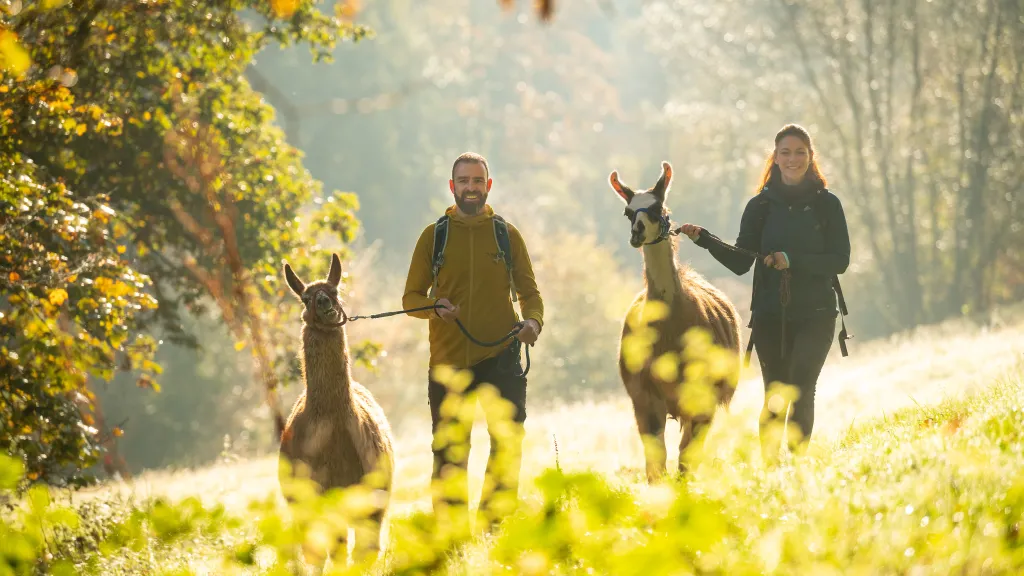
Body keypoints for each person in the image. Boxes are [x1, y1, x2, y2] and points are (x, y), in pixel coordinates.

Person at [678, 124, 851, 462]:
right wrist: (706, 239)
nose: (793, 159)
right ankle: (771, 468)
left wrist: (793, 261)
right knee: (775, 393)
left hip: (816, 313)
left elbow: (840, 260)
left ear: (811, 156)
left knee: (801, 387)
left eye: (800, 152)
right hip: (771, 314)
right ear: (775, 158)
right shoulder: (760, 206)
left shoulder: (827, 205)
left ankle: (796, 463)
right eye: (785, 152)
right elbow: (742, 262)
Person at [402, 151, 544, 526]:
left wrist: (533, 323)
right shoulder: (434, 236)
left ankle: (493, 529)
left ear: (488, 186)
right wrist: (434, 307)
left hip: (502, 356)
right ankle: (451, 537)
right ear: (452, 187)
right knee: (450, 455)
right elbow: (410, 299)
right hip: (448, 365)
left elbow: (531, 294)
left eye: (477, 181)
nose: (470, 188)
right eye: (463, 181)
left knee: (508, 444)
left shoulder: (506, 235)